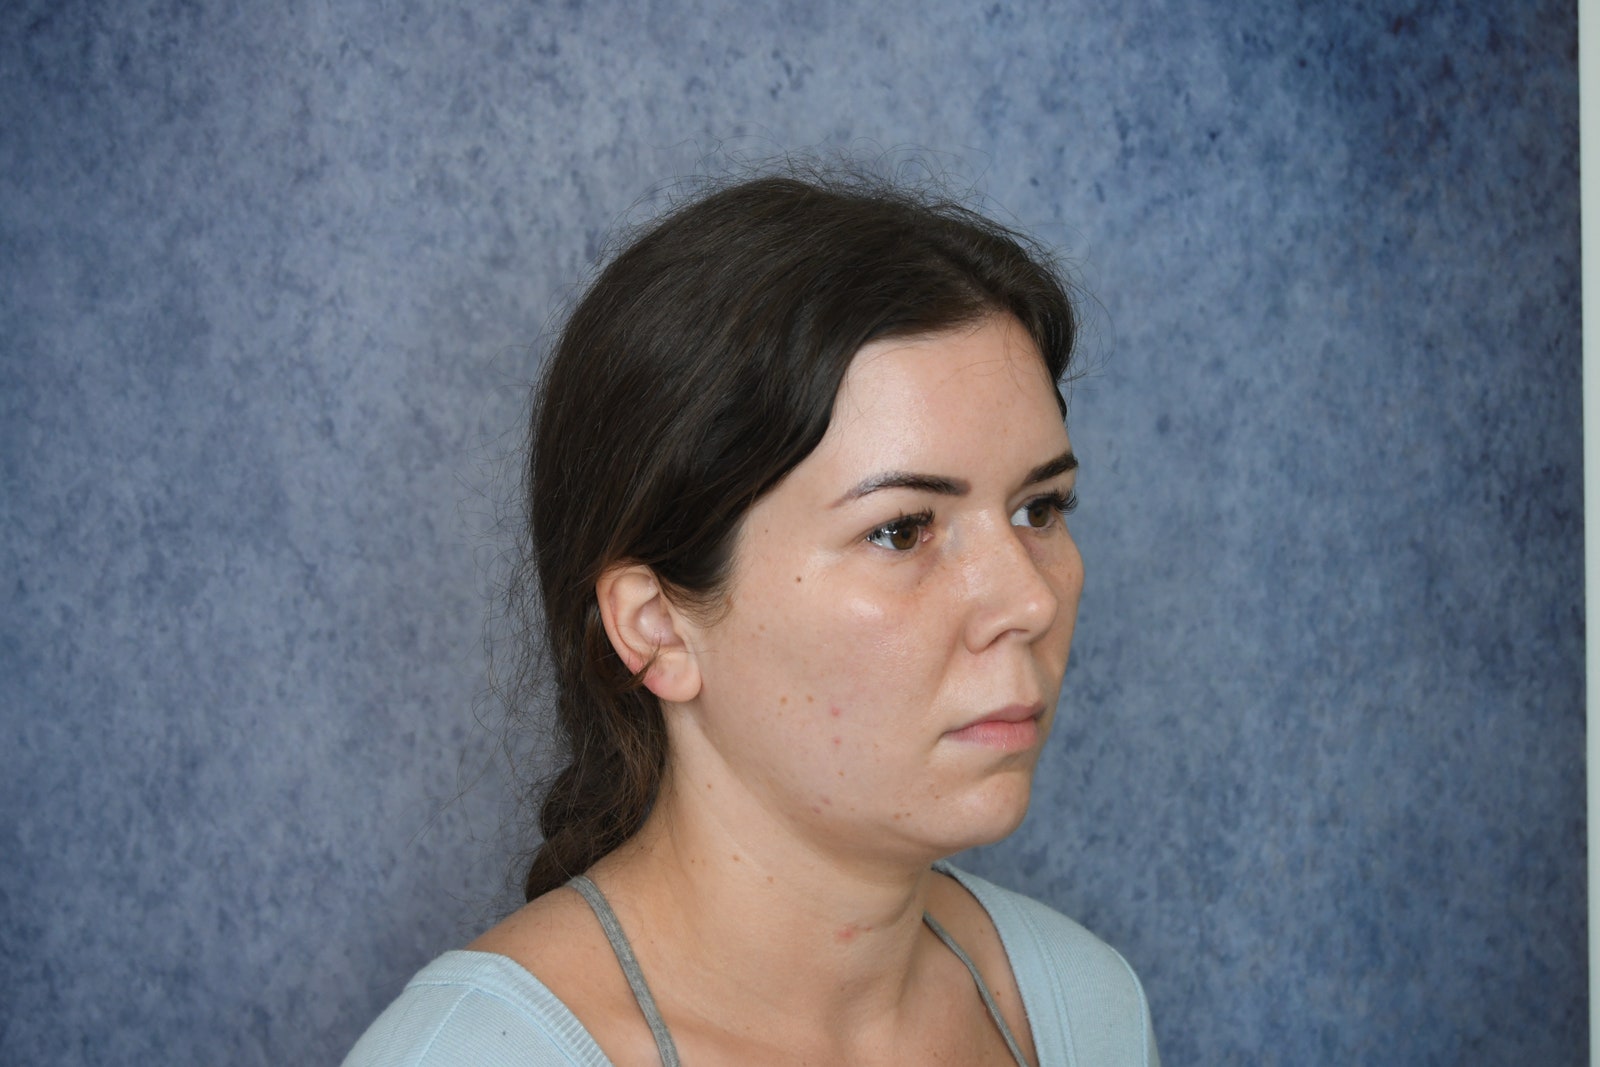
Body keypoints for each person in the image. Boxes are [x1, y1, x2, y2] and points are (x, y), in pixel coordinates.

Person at [344, 169, 1158, 1066]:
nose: (1031, 600)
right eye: (901, 529)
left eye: (1040, 507)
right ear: (655, 624)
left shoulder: (1086, 1009)